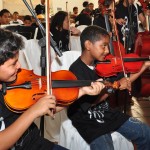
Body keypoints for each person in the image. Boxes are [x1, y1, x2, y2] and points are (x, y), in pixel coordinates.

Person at [0, 28, 104, 150]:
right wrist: (33, 111)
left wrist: (82, 91)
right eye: (13, 63)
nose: (19, 66)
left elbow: (49, 107)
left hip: (34, 143)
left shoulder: (14, 81)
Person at [68, 25, 150, 150]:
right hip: (87, 119)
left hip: (108, 113)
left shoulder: (105, 65)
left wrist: (143, 66)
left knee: (145, 132)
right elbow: (89, 103)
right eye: (103, 46)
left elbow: (124, 81)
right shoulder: (75, 71)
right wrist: (115, 86)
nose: (107, 51)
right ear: (88, 45)